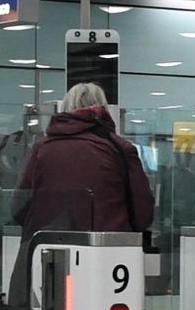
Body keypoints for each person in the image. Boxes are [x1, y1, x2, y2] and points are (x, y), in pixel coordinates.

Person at [14, 81, 155, 235]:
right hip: (107, 247)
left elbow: (19, 207)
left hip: (49, 246)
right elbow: (143, 212)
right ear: (103, 108)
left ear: (66, 108)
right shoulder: (121, 148)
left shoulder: (41, 148)